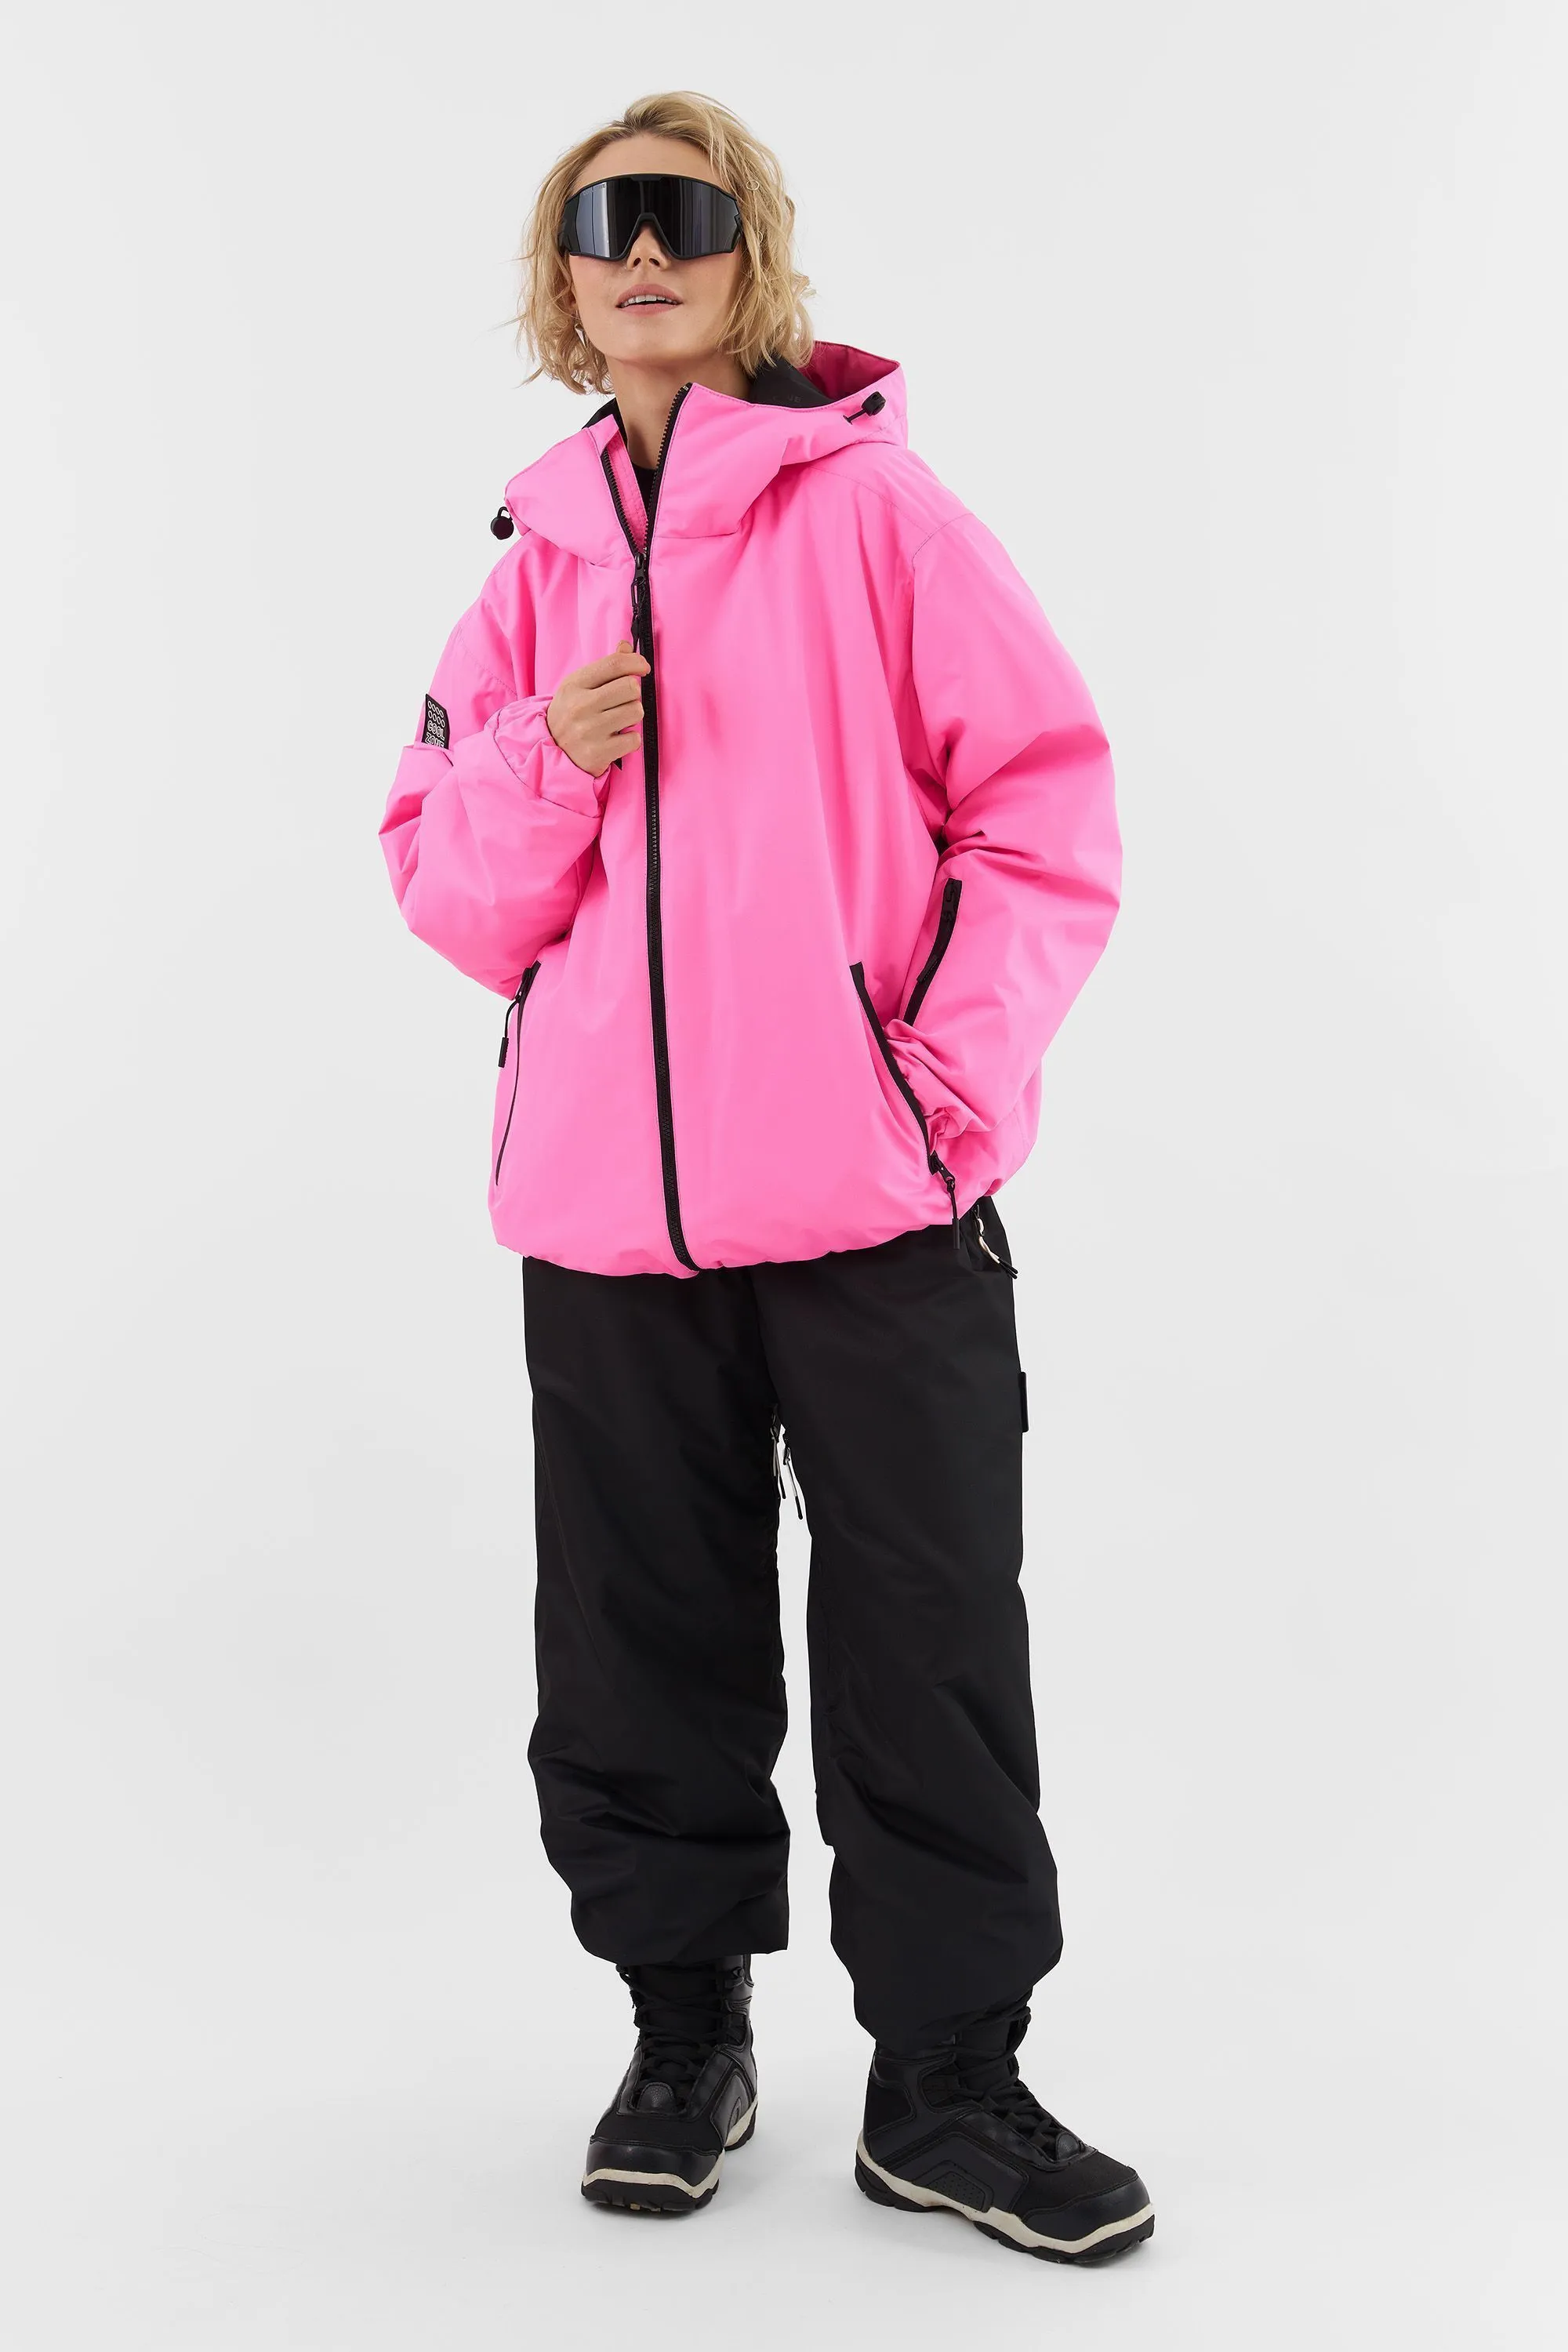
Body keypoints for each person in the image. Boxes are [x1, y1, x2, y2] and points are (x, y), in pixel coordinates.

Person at [379, 89, 1152, 2265]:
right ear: (563, 276)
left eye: (686, 213)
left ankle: (950, 2086)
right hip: (607, 1222)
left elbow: (1046, 813)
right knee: (639, 1636)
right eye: (604, 220)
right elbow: (445, 888)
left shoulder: (874, 512)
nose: (644, 251)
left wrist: (932, 1092)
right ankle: (681, 2037)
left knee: (929, 1629)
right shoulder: (534, 562)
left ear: (750, 254)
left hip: (876, 1199)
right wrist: (547, 757)